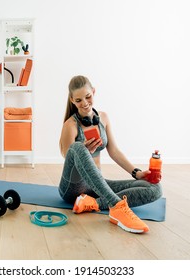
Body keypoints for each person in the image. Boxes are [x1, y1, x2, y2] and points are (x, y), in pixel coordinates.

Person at [58, 75, 162, 233]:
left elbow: (114, 151)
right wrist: (84, 151)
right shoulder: (71, 124)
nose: (85, 103)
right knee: (78, 148)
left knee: (155, 188)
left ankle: (93, 203)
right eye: (79, 100)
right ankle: (117, 208)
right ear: (72, 100)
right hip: (72, 188)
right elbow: (68, 155)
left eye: (88, 97)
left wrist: (137, 173)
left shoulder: (103, 118)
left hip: (96, 185)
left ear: (94, 92)